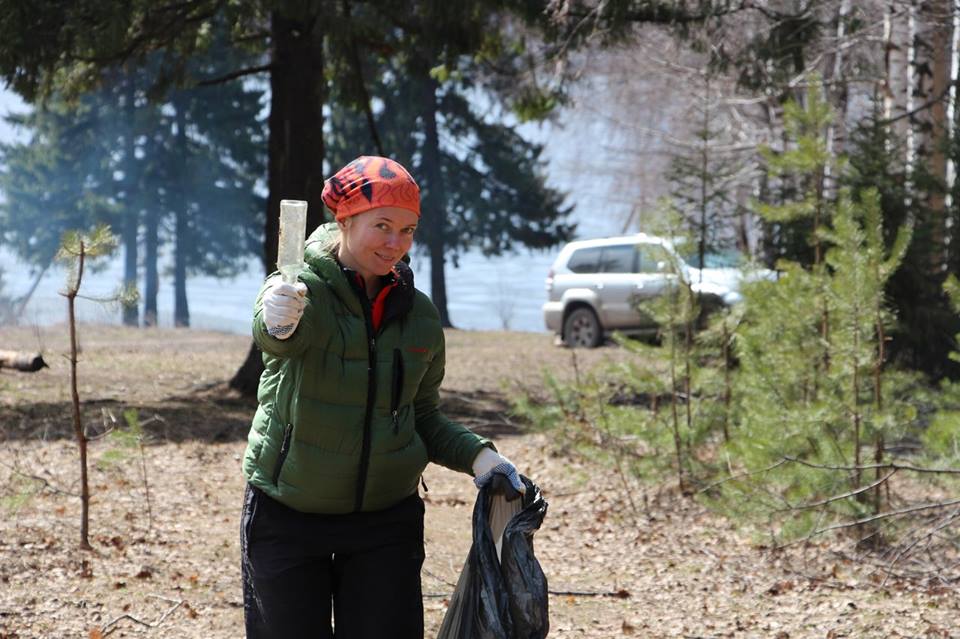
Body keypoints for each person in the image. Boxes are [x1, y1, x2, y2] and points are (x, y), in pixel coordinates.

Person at [239, 155, 524, 639]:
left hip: (384, 523)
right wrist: (276, 319)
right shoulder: (299, 289)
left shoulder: (420, 317)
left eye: (408, 230)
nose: (396, 243)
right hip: (288, 514)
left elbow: (422, 416)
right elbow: (277, 338)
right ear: (344, 220)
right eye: (383, 226)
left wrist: (480, 457)